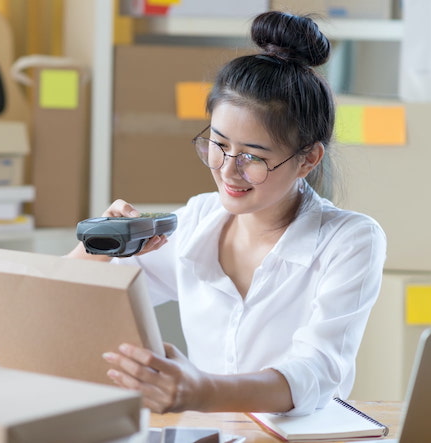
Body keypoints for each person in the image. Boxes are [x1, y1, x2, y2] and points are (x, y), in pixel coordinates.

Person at [67, 10, 386, 416]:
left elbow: (319, 370)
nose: (227, 169)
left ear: (308, 159)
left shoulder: (351, 240)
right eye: (217, 144)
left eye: (253, 157)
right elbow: (81, 305)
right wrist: (97, 248)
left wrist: (201, 390)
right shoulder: (198, 220)